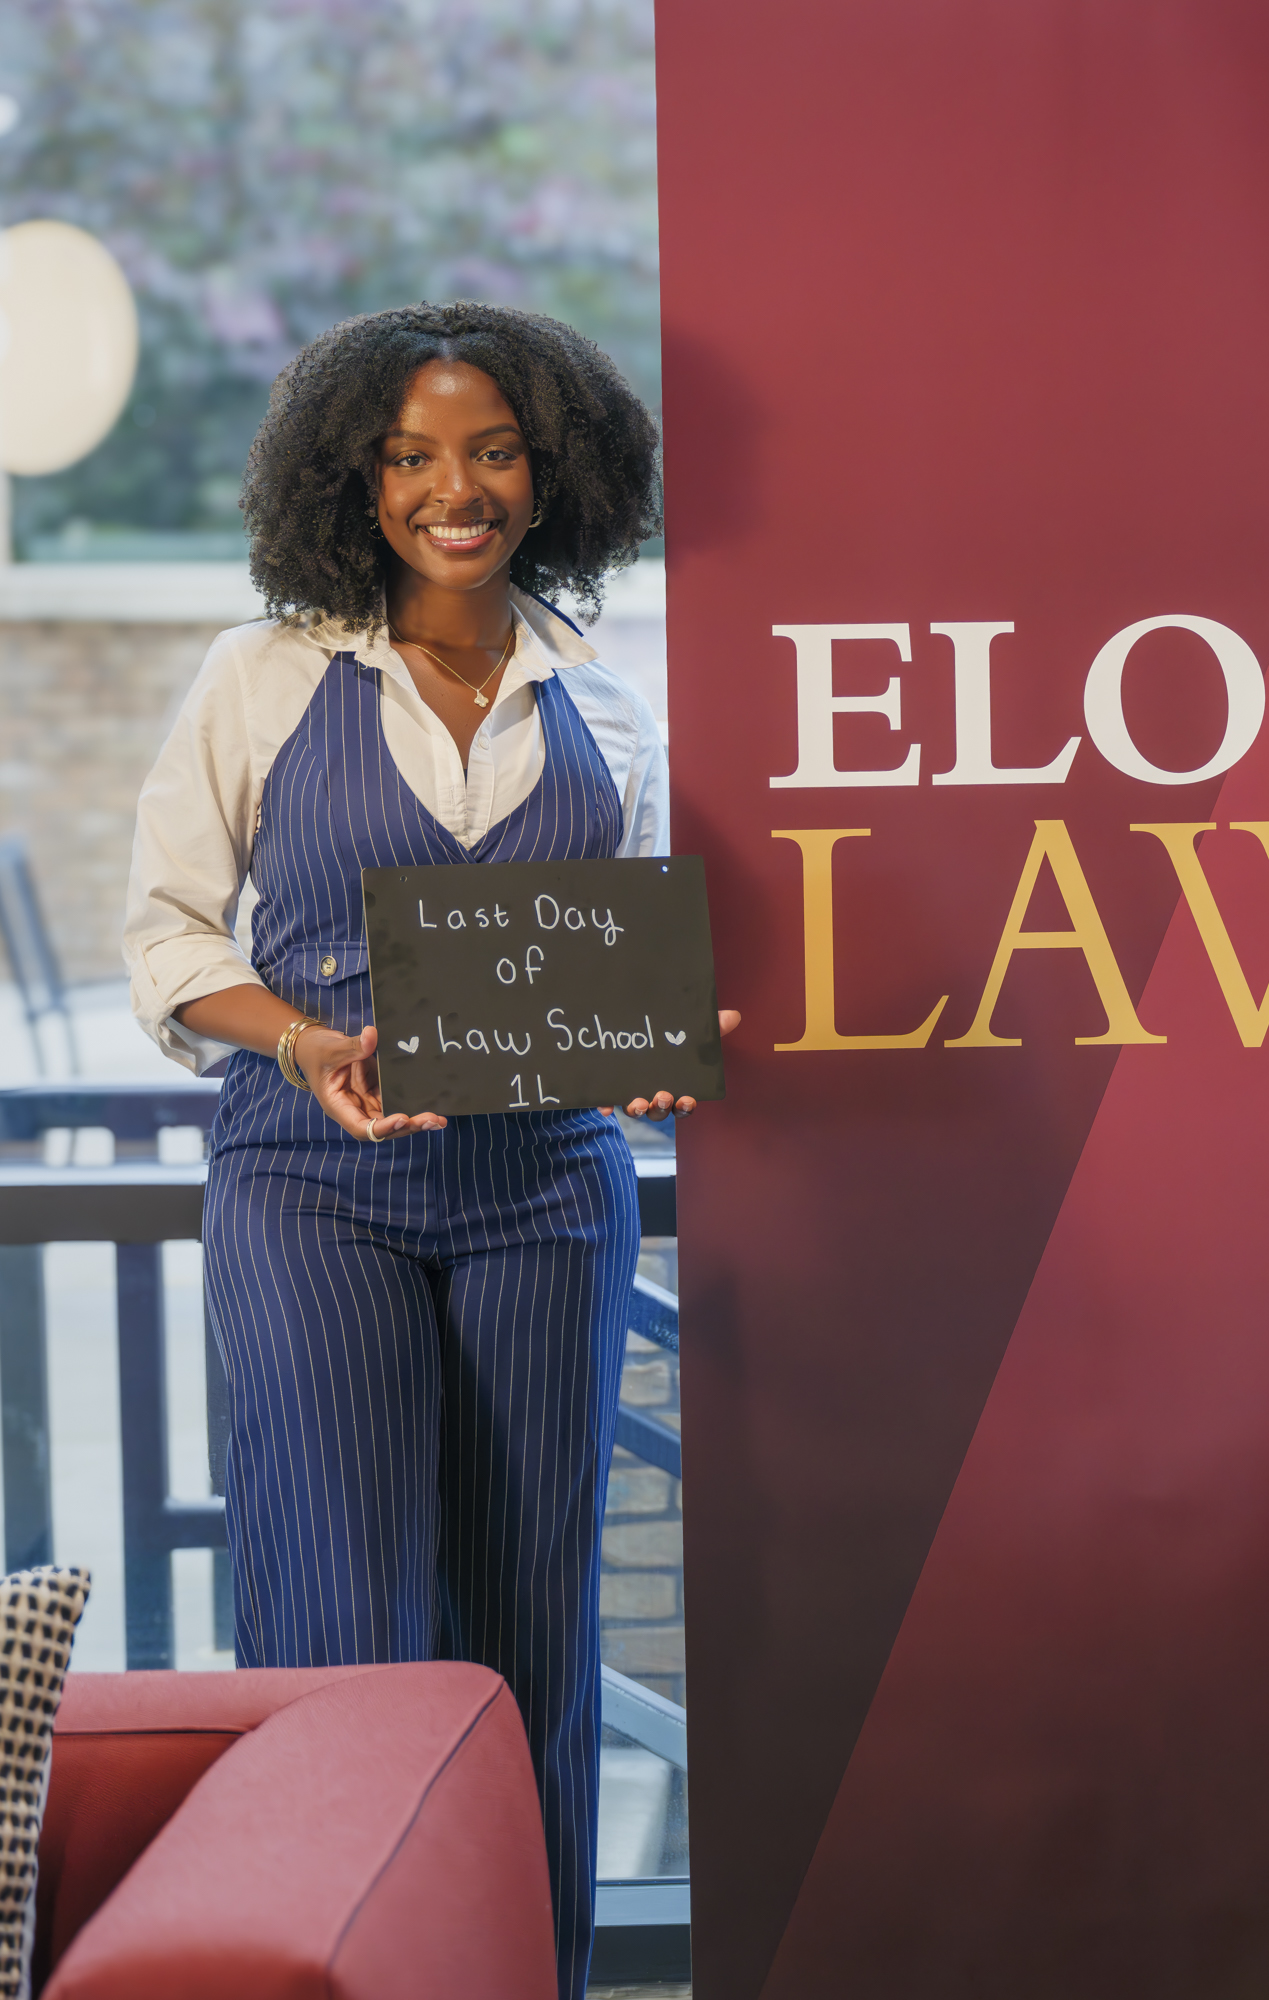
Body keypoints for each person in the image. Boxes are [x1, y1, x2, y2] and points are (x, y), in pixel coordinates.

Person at [122, 302, 718, 2000]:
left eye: (491, 450)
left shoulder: (607, 709)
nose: (452, 489)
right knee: (340, 1606)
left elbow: (611, 972)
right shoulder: (264, 673)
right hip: (312, 1190)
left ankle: (529, 1973)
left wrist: (648, 1066)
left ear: (554, 472)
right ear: (351, 479)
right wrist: (301, 1039)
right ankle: (327, 1965)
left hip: (548, 1195)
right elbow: (167, 939)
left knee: (535, 1626)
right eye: (407, 457)